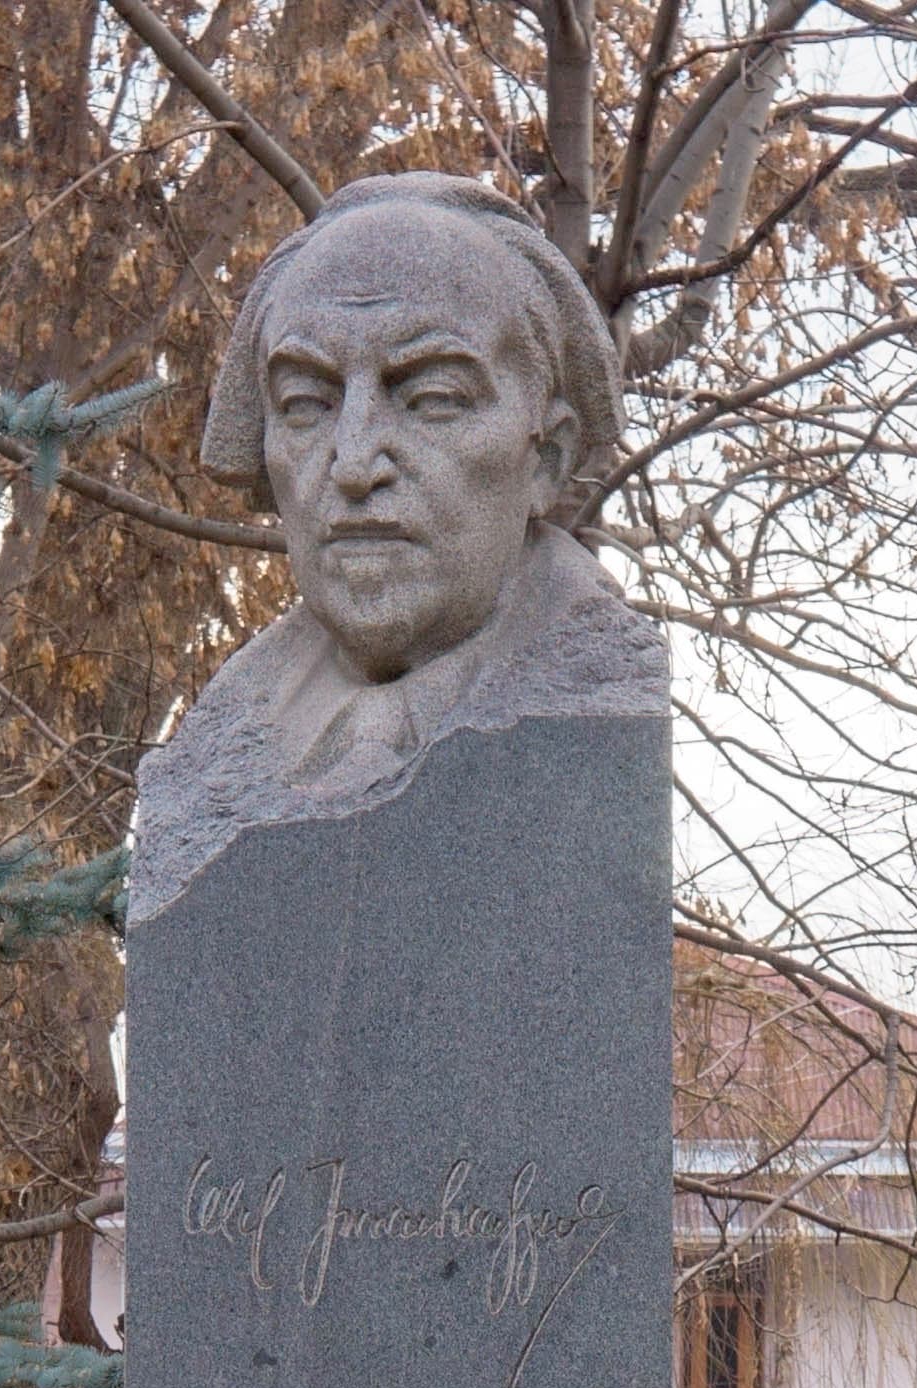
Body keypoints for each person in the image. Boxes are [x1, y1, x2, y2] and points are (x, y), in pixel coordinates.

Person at [130, 173, 663, 922]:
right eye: (307, 404)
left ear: (546, 457)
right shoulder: (218, 748)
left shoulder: (597, 700)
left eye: (433, 399)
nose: (353, 464)